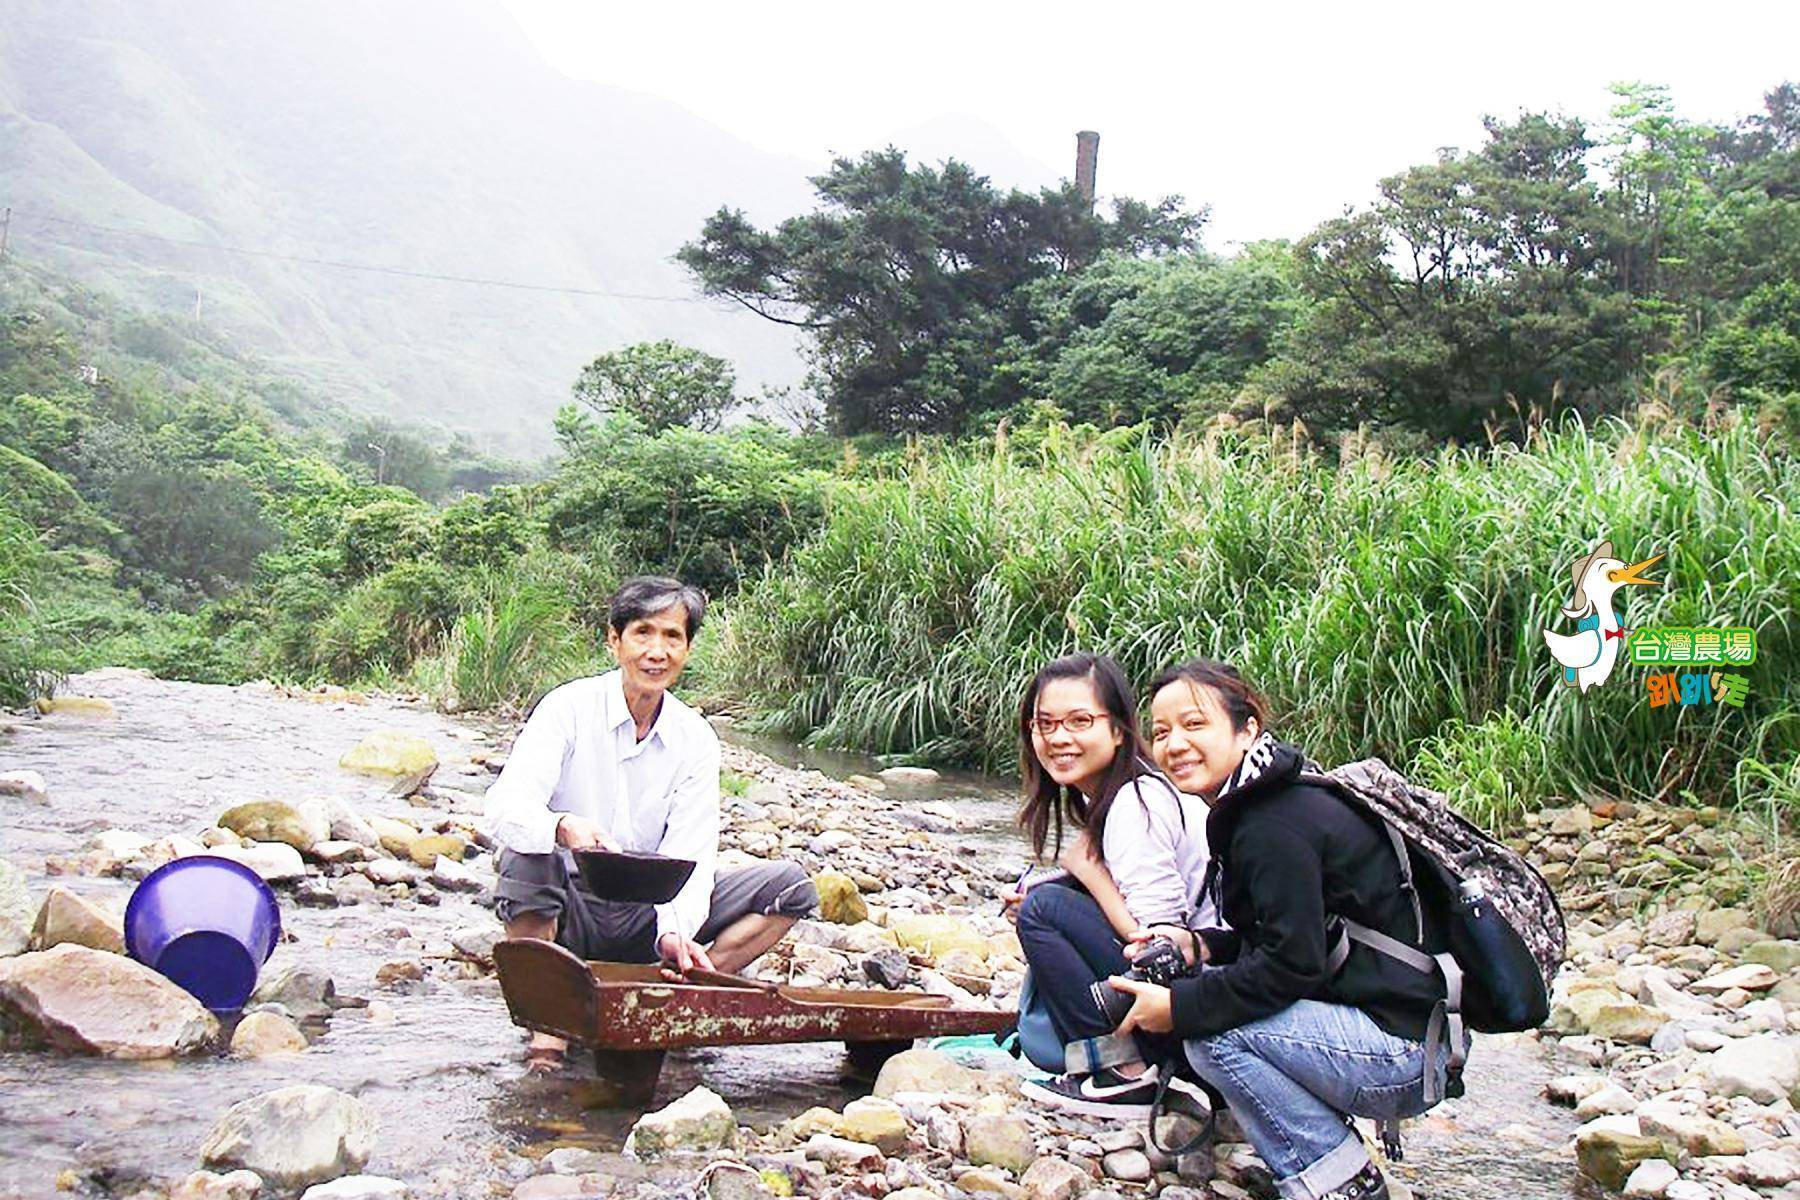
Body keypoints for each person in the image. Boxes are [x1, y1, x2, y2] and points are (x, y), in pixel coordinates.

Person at [1106, 659, 1457, 1200]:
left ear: (1247, 731)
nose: (1175, 744)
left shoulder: (1270, 823)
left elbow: (1292, 965)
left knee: (1211, 1032)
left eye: (1194, 725)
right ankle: (1335, 1167)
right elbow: (1288, 939)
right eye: (1160, 732)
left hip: (1401, 1051)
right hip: (1417, 1034)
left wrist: (1177, 1008)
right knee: (1213, 1005)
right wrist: (1200, 944)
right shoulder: (1269, 799)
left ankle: (1339, 1184)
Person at [481, 575, 818, 1071]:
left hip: (645, 912)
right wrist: (563, 826)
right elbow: (505, 806)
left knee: (790, 888)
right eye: (643, 633)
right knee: (525, 851)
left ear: (687, 648)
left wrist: (675, 932)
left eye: (672, 637)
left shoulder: (694, 737)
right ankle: (548, 1031)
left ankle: (667, 999)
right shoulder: (567, 709)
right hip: (568, 908)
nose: (656, 651)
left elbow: (693, 851)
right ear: (614, 640)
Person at [1003, 652, 1214, 1117]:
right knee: (1045, 902)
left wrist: (1090, 875)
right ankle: (1132, 1066)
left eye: (1080, 721)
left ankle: (1123, 1075)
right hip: (1199, 995)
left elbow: (1162, 943)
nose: (1059, 737)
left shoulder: (1135, 803)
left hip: (1198, 1000)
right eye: (1045, 724)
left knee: (1045, 909)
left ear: (1118, 730)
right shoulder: (1122, 796)